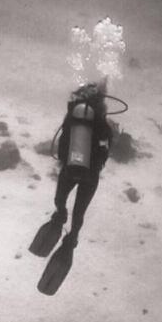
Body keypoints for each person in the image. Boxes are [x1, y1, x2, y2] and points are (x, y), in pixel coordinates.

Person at [29, 79, 113, 295]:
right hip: (90, 176)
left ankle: (59, 217)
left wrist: (68, 163)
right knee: (80, 213)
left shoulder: (72, 117)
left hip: (68, 171)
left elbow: (64, 143)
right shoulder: (103, 125)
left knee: (61, 201)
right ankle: (71, 239)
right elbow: (104, 152)